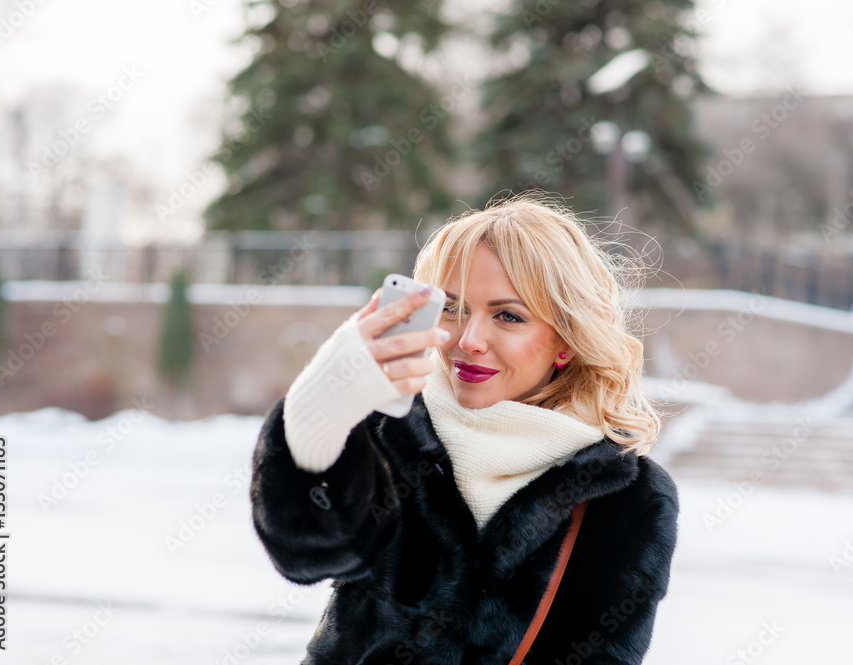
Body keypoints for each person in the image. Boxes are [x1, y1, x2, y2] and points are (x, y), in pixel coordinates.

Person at [250, 195, 679, 664]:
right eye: (452, 308)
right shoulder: (392, 431)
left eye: (508, 316)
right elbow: (305, 554)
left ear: (566, 341)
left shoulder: (629, 496)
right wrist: (317, 408)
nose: (469, 340)